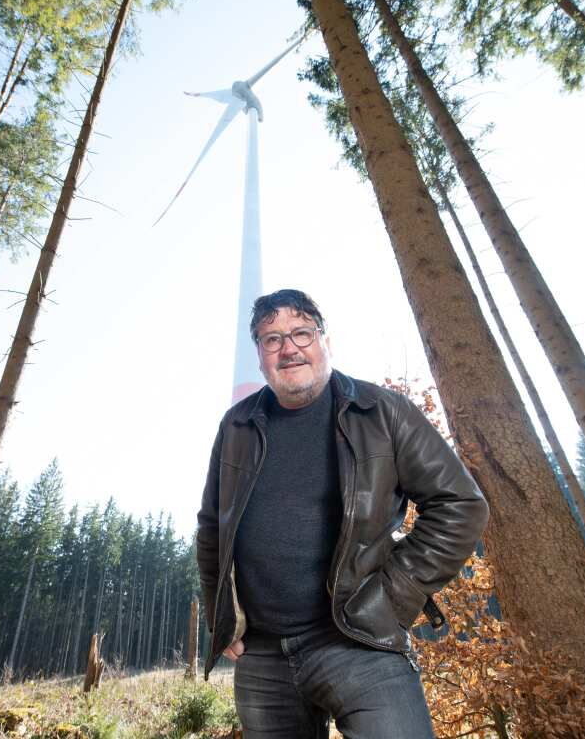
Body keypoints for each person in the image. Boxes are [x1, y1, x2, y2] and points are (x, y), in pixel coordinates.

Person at [196, 289, 489, 738]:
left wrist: (390, 600)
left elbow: (460, 505)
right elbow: (212, 528)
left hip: (359, 643)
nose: (288, 347)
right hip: (263, 660)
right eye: (271, 339)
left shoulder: (383, 412)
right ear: (259, 356)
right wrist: (224, 619)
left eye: (301, 332)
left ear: (325, 341)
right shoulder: (236, 425)